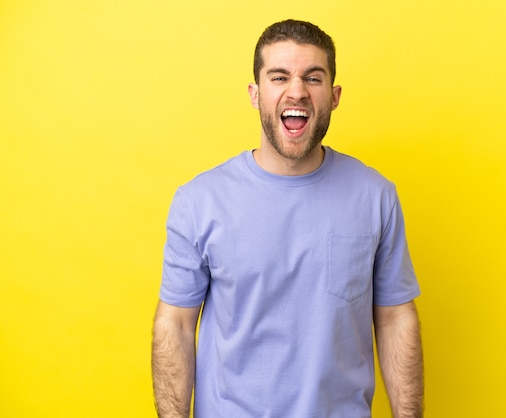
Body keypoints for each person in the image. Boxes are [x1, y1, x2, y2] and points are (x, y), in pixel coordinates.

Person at [152, 19, 424, 418]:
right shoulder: (199, 201)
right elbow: (174, 323)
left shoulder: (375, 195)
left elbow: (396, 317)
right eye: (279, 77)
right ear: (255, 93)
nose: (296, 91)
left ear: (333, 96)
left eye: (313, 78)